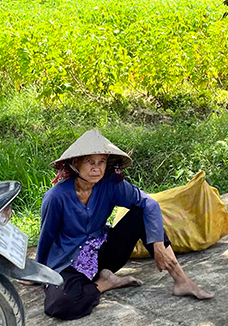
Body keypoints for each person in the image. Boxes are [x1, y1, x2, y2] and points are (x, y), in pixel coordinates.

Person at [35, 129, 214, 320]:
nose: (96, 168)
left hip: (104, 254)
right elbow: (47, 235)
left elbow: (150, 204)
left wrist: (158, 245)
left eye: (101, 162)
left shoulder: (111, 184)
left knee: (141, 213)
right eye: (90, 162)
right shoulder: (56, 197)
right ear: (75, 163)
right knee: (60, 304)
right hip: (69, 263)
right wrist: (38, 271)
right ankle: (105, 283)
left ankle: (182, 280)